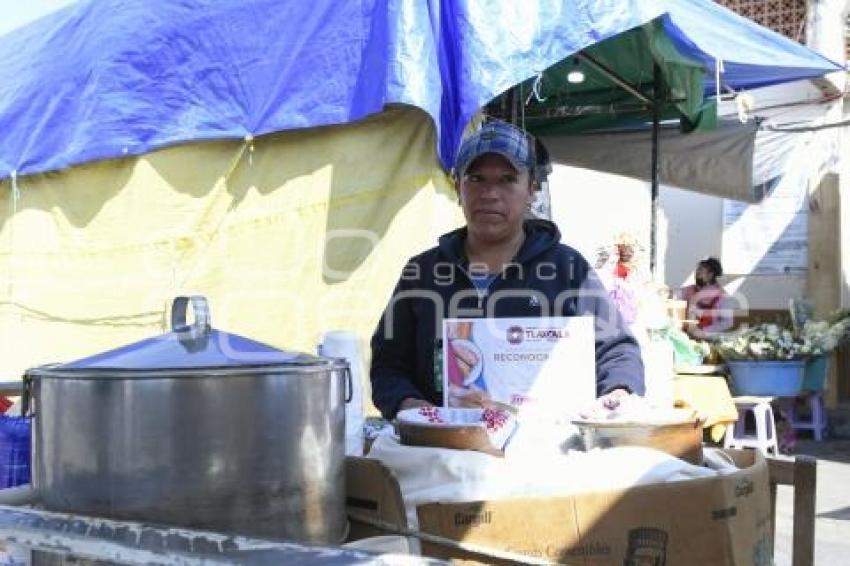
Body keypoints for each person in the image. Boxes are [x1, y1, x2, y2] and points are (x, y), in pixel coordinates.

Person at [370, 120, 645, 419]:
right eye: (476, 178)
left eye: (507, 179)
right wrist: (408, 406)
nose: (489, 193)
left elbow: (617, 350)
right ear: (458, 187)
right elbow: (388, 364)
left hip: (546, 447)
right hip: (442, 450)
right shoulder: (421, 272)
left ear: (532, 190)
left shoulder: (568, 270)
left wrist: (619, 392)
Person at [678, 257, 733, 339]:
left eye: (700, 271)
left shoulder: (722, 296)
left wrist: (705, 331)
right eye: (697, 271)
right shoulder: (689, 290)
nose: (697, 274)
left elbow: (728, 322)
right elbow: (674, 295)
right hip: (688, 337)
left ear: (710, 275)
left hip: (710, 339)